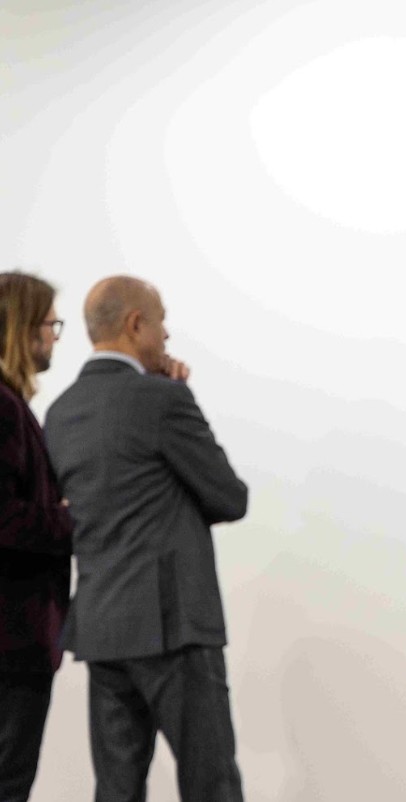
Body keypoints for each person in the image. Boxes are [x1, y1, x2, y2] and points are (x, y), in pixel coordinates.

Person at [44, 276, 248, 802]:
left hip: (100, 627)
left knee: (116, 790)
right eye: (161, 322)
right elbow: (230, 497)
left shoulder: (60, 412)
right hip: (173, 625)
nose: (166, 336)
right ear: (136, 325)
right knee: (211, 785)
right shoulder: (161, 398)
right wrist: (178, 392)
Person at [0, 272, 74, 802]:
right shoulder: (4, 409)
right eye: (51, 324)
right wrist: (73, 518)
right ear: (23, 330)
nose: (54, 336)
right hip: (13, 640)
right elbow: (4, 518)